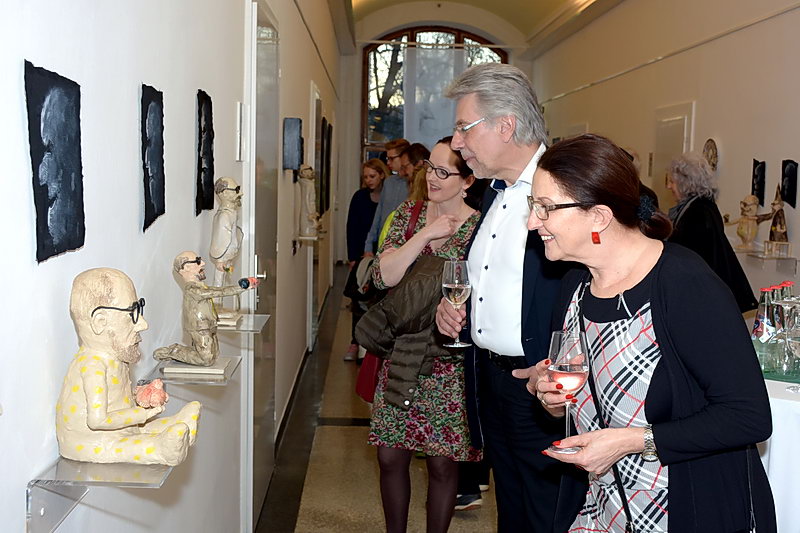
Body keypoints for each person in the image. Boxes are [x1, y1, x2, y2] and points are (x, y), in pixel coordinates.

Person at [522, 133, 775, 532]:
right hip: (600, 507)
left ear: (598, 217)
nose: (532, 221)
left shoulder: (684, 283)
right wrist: (553, 398)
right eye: (532, 205)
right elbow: (581, 402)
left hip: (681, 510)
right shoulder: (573, 287)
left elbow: (749, 417)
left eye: (546, 208)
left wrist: (631, 441)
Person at [435, 63, 573, 532]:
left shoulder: (567, 187)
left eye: (464, 127)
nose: (457, 143)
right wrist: (458, 307)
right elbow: (496, 277)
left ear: (506, 125)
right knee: (511, 509)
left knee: (548, 513)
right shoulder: (495, 192)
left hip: (542, 389)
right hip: (492, 380)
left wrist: (562, 367)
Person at [356, 137, 480, 533]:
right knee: (390, 456)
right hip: (401, 353)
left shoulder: (479, 228)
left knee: (443, 463)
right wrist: (425, 235)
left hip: (447, 361)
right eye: (431, 168)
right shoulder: (408, 215)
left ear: (468, 180)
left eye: (445, 172)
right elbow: (384, 276)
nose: (433, 178)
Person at [57, 268, 202, 466]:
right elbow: (97, 421)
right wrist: (143, 414)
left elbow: (116, 400)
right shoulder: (93, 365)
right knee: (129, 445)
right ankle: (162, 450)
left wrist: (139, 398)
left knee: (139, 431)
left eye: (139, 309)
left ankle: (178, 424)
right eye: (132, 313)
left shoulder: (117, 358)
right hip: (93, 441)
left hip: (124, 428)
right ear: (100, 322)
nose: (143, 324)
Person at [666, 152, 758, 312]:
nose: (669, 187)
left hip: (698, 296)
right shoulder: (702, 206)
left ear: (685, 183)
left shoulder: (698, 212)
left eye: (672, 182)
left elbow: (690, 258)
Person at [153, 252, 259, 366]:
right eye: (198, 261)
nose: (203, 263)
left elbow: (215, 292)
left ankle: (191, 352)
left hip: (209, 324)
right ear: (187, 267)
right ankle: (174, 351)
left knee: (214, 355)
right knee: (206, 360)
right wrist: (240, 288)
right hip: (200, 327)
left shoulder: (200, 286)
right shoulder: (192, 289)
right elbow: (218, 292)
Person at [343, 159, 388, 361]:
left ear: (382, 175)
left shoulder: (388, 197)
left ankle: (372, 345)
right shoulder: (359, 197)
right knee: (358, 300)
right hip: (362, 257)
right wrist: (353, 257)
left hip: (383, 256)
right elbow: (351, 228)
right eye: (366, 177)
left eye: (373, 176)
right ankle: (355, 342)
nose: (369, 180)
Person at [364, 139, 411, 255]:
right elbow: (379, 214)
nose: (388, 162)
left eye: (392, 158)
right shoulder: (388, 182)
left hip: (405, 246)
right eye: (387, 158)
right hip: (384, 244)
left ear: (404, 157)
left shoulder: (413, 184)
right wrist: (368, 245)